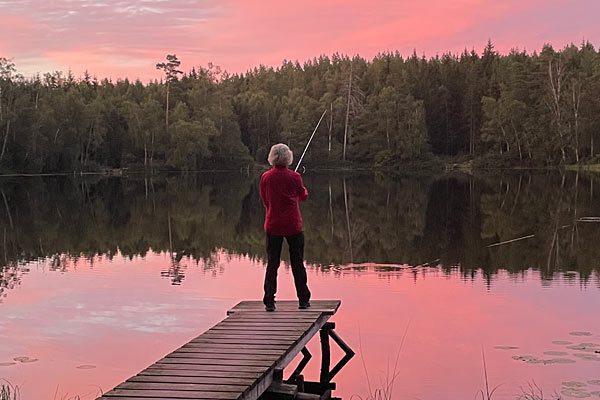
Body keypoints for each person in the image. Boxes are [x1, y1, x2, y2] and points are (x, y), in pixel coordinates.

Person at [260, 143, 311, 312]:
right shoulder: (295, 177)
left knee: (272, 264)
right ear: (288, 157)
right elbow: (303, 196)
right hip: (293, 225)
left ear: (272, 157)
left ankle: (269, 301)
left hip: (273, 224)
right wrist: (301, 189)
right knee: (297, 262)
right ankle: (303, 300)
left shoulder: (266, 177)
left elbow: (265, 199)